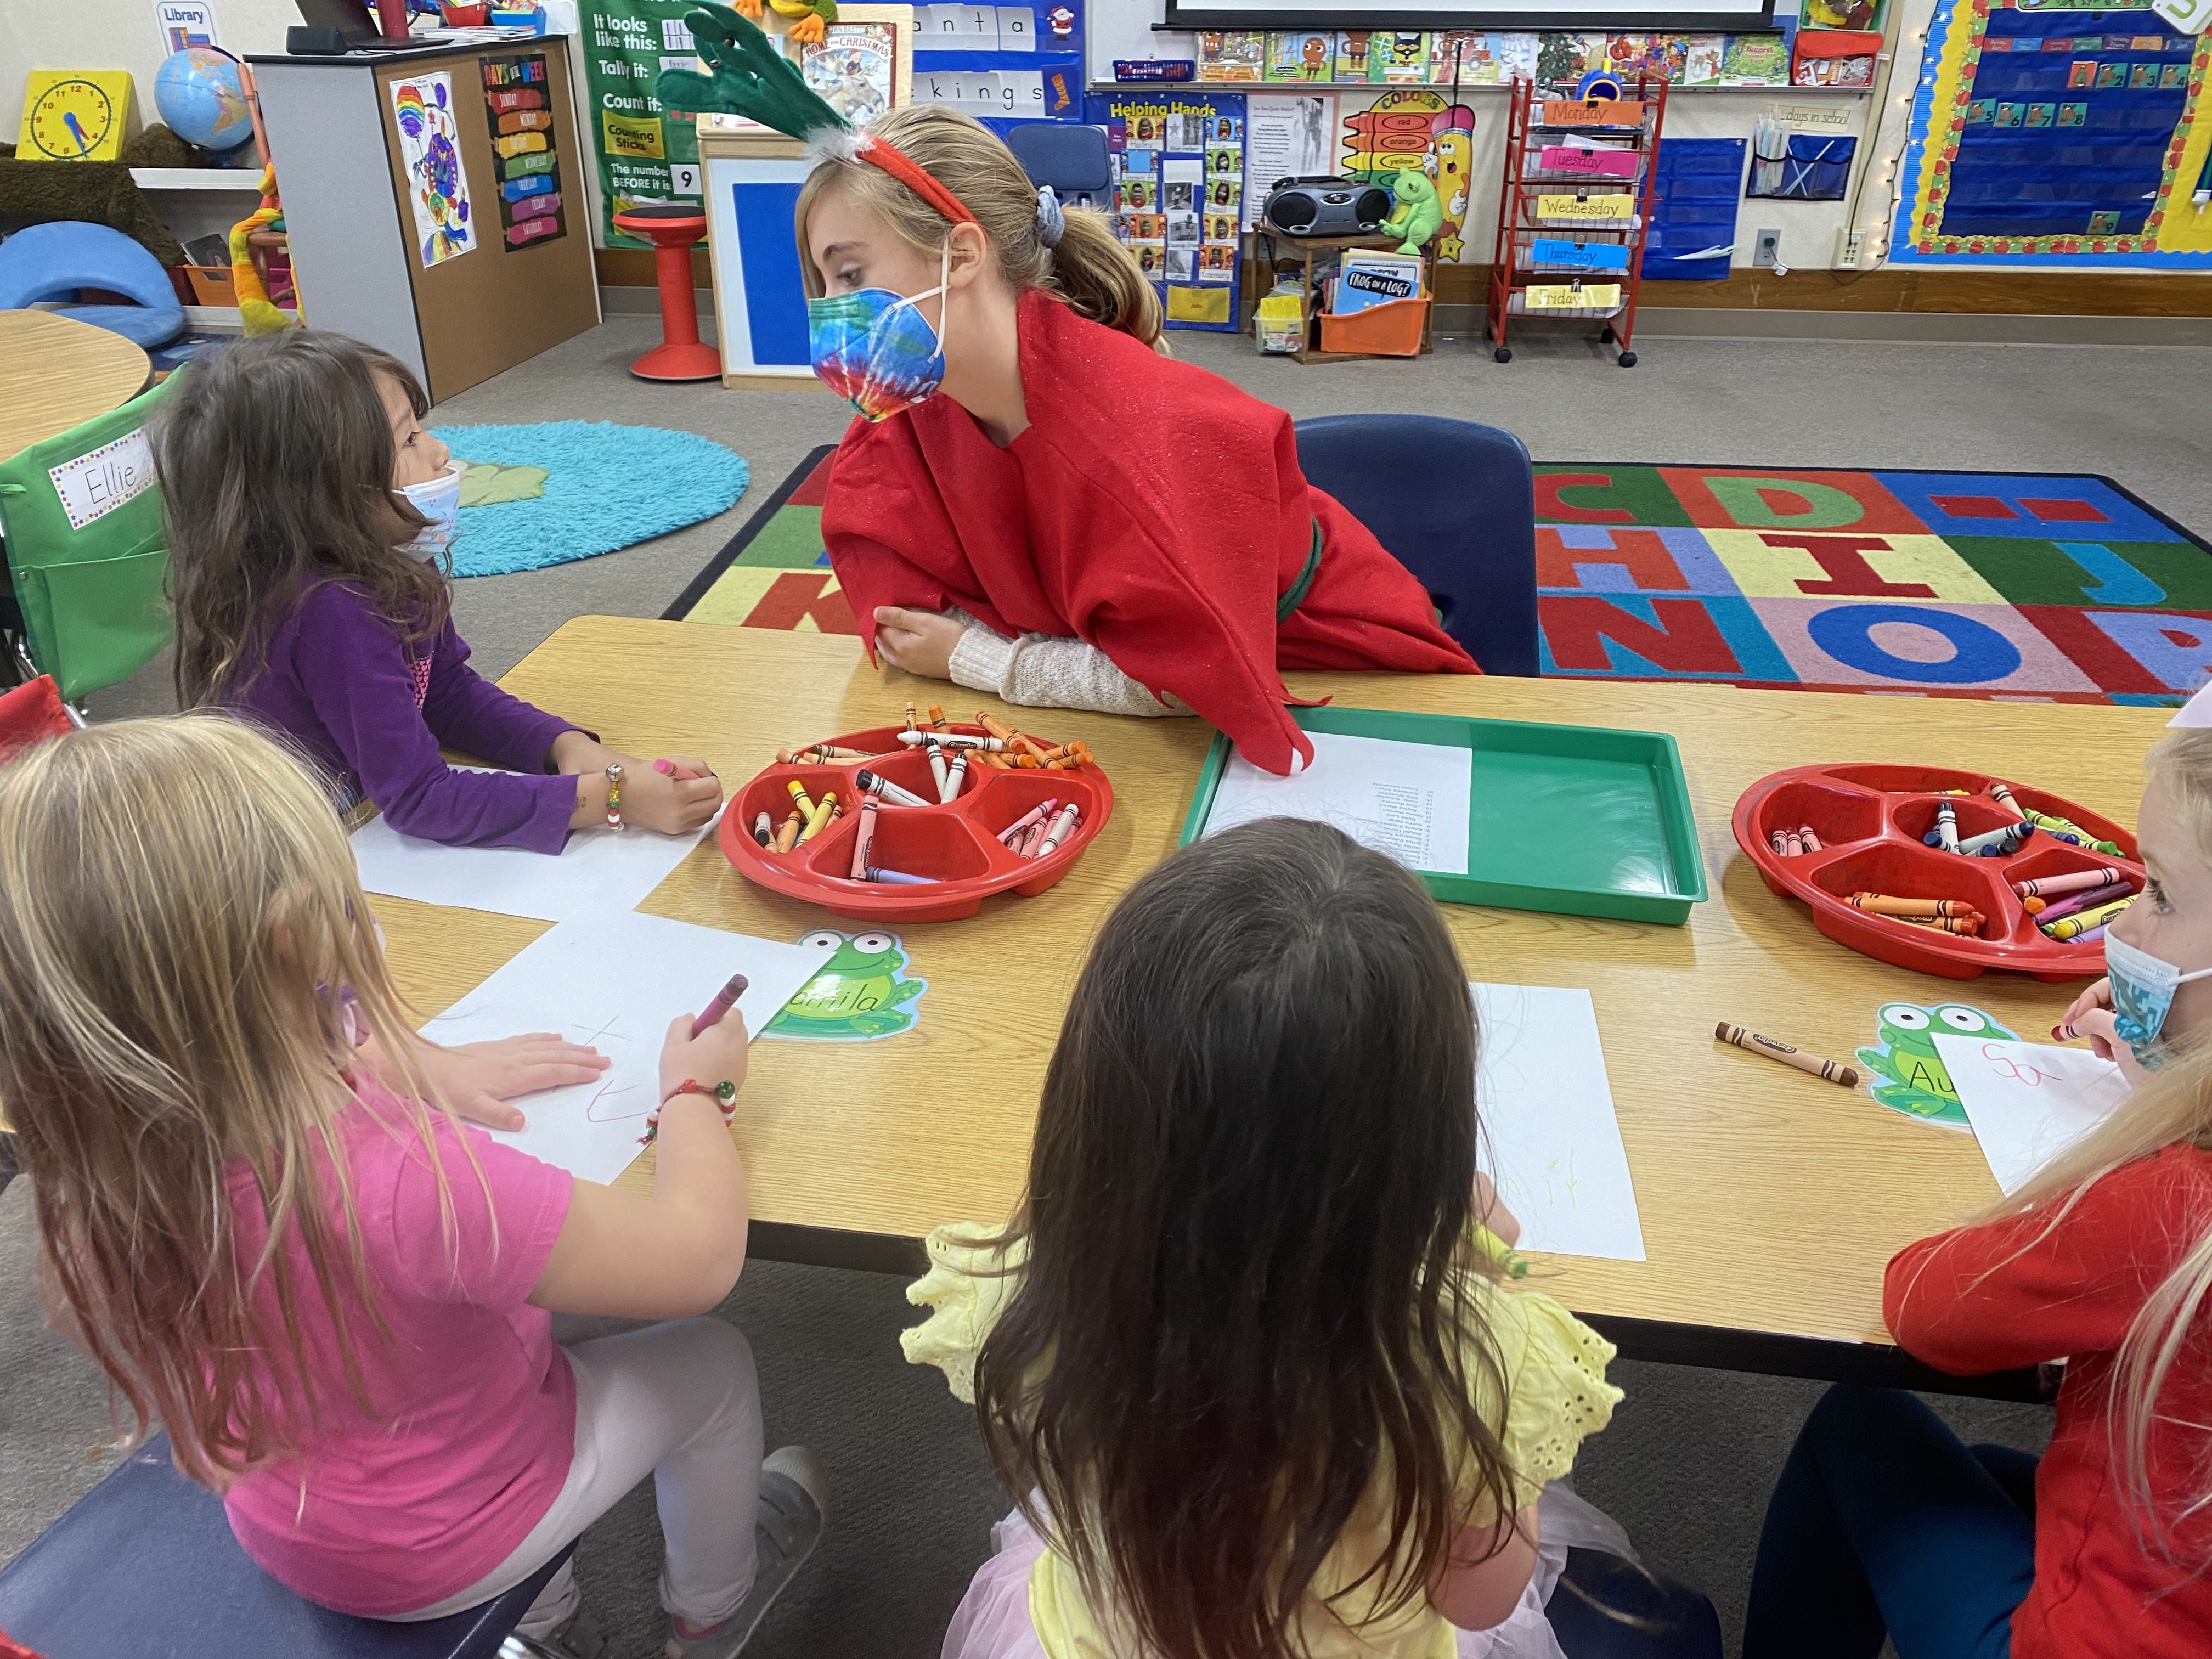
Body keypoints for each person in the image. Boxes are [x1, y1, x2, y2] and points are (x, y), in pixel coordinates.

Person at [0, 716, 824, 1659]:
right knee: (709, 1360)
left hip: (289, 1517)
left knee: (549, 1321)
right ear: (297, 933)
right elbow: (699, 1259)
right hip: (449, 1542)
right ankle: (713, 1612)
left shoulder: (102, 1166)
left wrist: (413, 1062)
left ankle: (547, 1627)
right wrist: (695, 1092)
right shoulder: (412, 1184)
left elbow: (290, 1068)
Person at [904, 817, 1721, 1658]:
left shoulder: (1028, 1288)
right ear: (1416, 1150)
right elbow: (1481, 1597)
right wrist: (1479, 1294)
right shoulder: (1464, 1362)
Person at [787, 99, 1475, 776]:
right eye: (822, 282)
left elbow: (1191, 679)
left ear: (962, 254)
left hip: (1338, 673)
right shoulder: (918, 406)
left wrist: (987, 660)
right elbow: (902, 616)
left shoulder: (1136, 440)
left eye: (850, 275)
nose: (830, 310)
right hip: (1111, 700)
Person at [1742, 725, 2212, 1659]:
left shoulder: (2172, 1211)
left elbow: (1922, 1302)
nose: (2119, 926)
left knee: (1860, 1421)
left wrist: (2145, 1130)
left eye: (2155, 892)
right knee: (2002, 1476)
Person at [155, 330, 723, 851]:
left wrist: (566, 749)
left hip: (351, 816)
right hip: (292, 854)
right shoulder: (330, 613)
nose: (440, 452)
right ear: (319, 492)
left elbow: (444, 694)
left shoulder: (383, 571)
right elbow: (421, 799)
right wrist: (612, 799)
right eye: (407, 441)